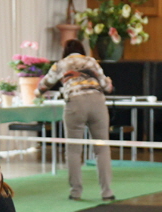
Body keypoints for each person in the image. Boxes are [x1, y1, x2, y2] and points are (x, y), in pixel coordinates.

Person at [38, 39, 115, 201]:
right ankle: (107, 192)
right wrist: (109, 82)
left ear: (65, 52)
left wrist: (37, 93)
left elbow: (43, 86)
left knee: (73, 150)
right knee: (102, 149)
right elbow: (107, 87)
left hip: (75, 104)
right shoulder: (91, 61)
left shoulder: (61, 64)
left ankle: (76, 192)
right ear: (82, 50)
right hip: (97, 102)